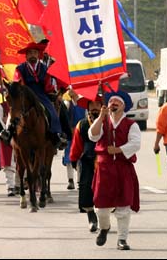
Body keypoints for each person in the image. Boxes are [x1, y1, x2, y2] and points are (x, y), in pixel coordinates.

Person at [89, 90, 140, 251]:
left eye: (117, 102)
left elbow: (135, 144)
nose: (113, 104)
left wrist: (118, 150)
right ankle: (104, 227)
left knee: (124, 205)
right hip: (104, 169)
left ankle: (122, 239)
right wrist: (101, 117)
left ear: (124, 106)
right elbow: (93, 136)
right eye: (111, 102)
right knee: (100, 205)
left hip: (123, 168)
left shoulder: (131, 125)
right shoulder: (103, 121)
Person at [1, 42, 67, 149]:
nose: (32, 55)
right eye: (30, 53)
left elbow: (47, 84)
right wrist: (21, 89)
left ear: (38, 55)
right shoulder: (20, 68)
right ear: (26, 56)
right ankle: (8, 131)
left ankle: (56, 134)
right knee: (14, 111)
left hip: (41, 94)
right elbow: (18, 81)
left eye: (35, 53)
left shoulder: (44, 68)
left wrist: (51, 92)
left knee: (52, 111)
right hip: (25, 94)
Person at [70, 94, 102, 232]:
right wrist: (73, 158)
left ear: (102, 107)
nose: (94, 108)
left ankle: (103, 217)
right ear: (88, 107)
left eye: (97, 105)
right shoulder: (81, 124)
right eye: (92, 105)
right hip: (87, 160)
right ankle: (91, 216)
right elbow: (76, 144)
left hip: (104, 161)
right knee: (85, 187)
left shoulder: (107, 123)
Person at [64, 88, 86, 190]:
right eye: (69, 90)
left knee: (80, 157)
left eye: (72, 89)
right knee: (69, 157)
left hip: (81, 133)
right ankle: (70, 180)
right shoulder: (67, 103)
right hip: (69, 133)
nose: (70, 91)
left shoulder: (84, 103)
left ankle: (79, 180)